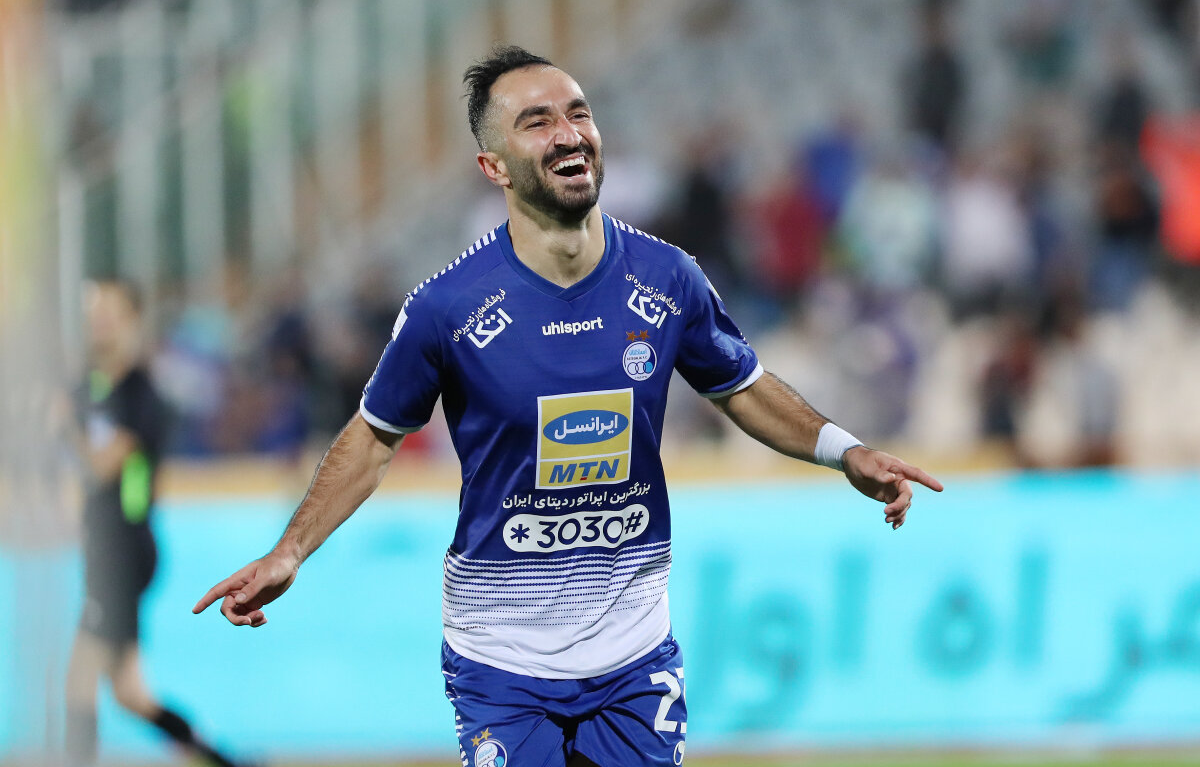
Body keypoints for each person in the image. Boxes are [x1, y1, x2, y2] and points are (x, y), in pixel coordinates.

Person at [193, 46, 944, 767]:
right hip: (502, 656)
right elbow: (373, 437)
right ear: (494, 167)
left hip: (633, 651)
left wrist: (844, 450)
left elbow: (741, 388)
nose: (568, 133)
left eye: (578, 112)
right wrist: (290, 551)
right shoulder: (447, 308)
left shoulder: (668, 278)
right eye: (537, 121)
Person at [64, 279, 251, 767]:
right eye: (94, 313)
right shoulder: (89, 388)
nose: (99, 323)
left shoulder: (141, 393)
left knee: (79, 680)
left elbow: (105, 466)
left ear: (132, 322)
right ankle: (220, 758)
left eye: (111, 313)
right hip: (104, 549)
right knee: (129, 693)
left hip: (124, 552)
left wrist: (63, 426)